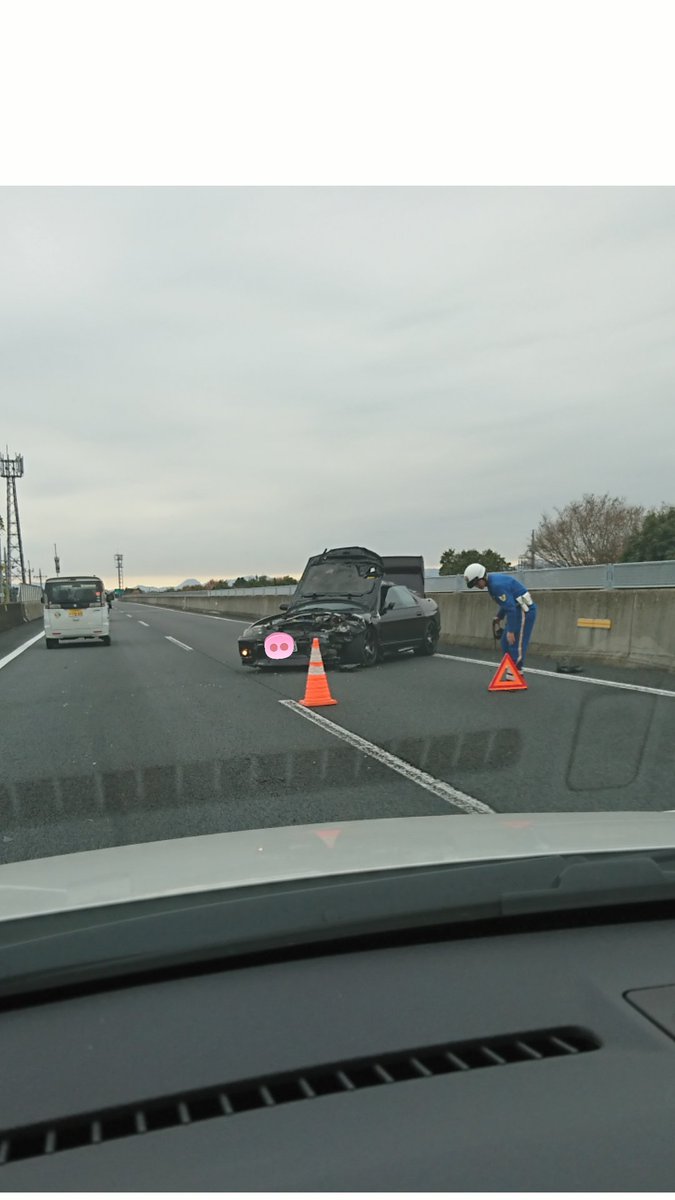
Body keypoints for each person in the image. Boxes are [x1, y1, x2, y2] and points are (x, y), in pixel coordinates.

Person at [463, 563, 537, 669]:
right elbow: (506, 603)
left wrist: (511, 631)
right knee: (505, 643)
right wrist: (499, 617)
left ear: (482, 577)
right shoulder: (492, 583)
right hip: (517, 609)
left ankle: (516, 676)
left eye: (476, 583)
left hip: (524, 611)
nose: (476, 586)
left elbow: (510, 607)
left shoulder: (496, 586)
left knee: (514, 644)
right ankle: (512, 674)